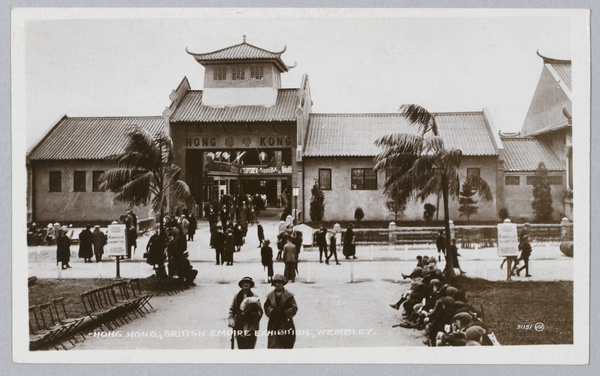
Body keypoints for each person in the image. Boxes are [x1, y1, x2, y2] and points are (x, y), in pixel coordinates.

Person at [228, 276, 263, 349]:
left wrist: (255, 315)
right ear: (241, 285)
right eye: (244, 283)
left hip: (251, 325)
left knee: (250, 346)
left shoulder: (255, 296)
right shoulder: (237, 296)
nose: (246, 284)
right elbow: (232, 310)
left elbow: (260, 311)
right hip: (239, 324)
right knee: (241, 346)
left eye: (248, 283)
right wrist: (231, 321)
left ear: (250, 285)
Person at [264, 274, 298, 349]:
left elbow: (294, 307)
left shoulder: (289, 295)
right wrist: (272, 312)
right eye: (276, 283)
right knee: (273, 344)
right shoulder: (270, 296)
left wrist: (284, 313)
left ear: (283, 283)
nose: (278, 284)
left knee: (287, 343)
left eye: (280, 282)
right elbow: (266, 307)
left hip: (286, 322)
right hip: (273, 323)